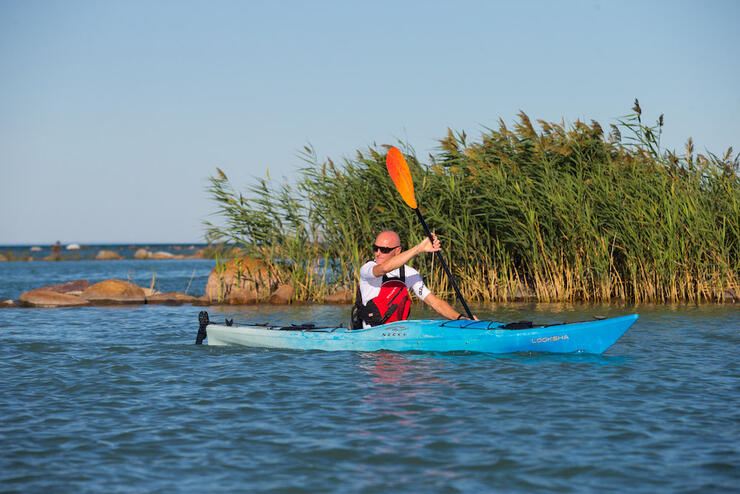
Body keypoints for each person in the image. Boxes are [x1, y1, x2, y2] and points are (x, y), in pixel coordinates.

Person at [351, 230, 477, 329]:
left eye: (384, 250)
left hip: (397, 334)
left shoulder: (409, 273)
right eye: (375, 248)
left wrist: (461, 318)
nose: (378, 253)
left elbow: (434, 302)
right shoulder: (367, 269)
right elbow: (383, 269)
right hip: (370, 340)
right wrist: (419, 249)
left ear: (397, 251)